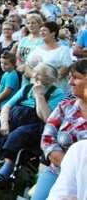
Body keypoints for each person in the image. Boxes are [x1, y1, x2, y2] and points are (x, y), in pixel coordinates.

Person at [0, 63, 65, 186]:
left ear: (50, 79)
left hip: (34, 124)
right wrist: (4, 123)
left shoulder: (57, 94)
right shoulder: (26, 87)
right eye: (35, 71)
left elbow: (46, 118)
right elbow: (7, 106)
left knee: (18, 134)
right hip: (11, 119)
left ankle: (5, 173)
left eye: (39, 74)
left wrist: (39, 96)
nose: (34, 75)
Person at [32, 60, 87, 200]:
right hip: (57, 170)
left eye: (77, 77)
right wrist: (70, 168)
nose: (70, 82)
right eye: (70, 77)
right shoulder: (65, 107)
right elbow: (47, 139)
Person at [30, 21, 73, 92]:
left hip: (56, 89)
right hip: (37, 87)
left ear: (53, 33)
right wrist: (34, 77)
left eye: (44, 30)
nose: (41, 33)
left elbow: (65, 68)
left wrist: (47, 81)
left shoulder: (63, 49)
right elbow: (27, 66)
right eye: (40, 31)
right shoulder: (36, 49)